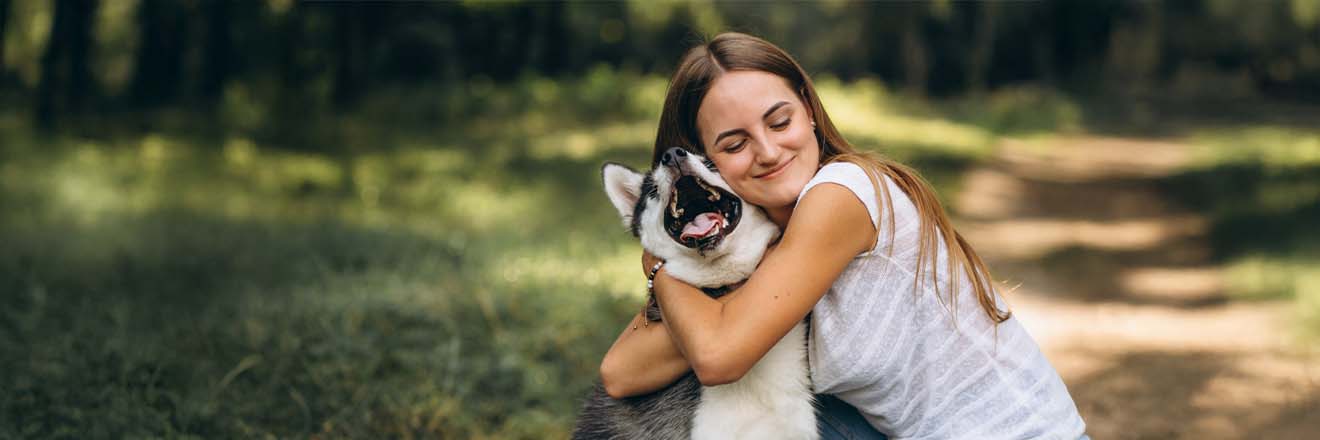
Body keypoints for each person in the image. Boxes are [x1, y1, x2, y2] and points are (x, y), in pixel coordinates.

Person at [598, 32, 1087, 439]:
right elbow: (622, 374)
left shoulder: (842, 193)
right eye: (735, 143)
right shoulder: (760, 247)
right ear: (710, 165)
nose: (768, 151)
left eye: (779, 120)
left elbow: (718, 357)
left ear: (809, 110)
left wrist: (659, 263)